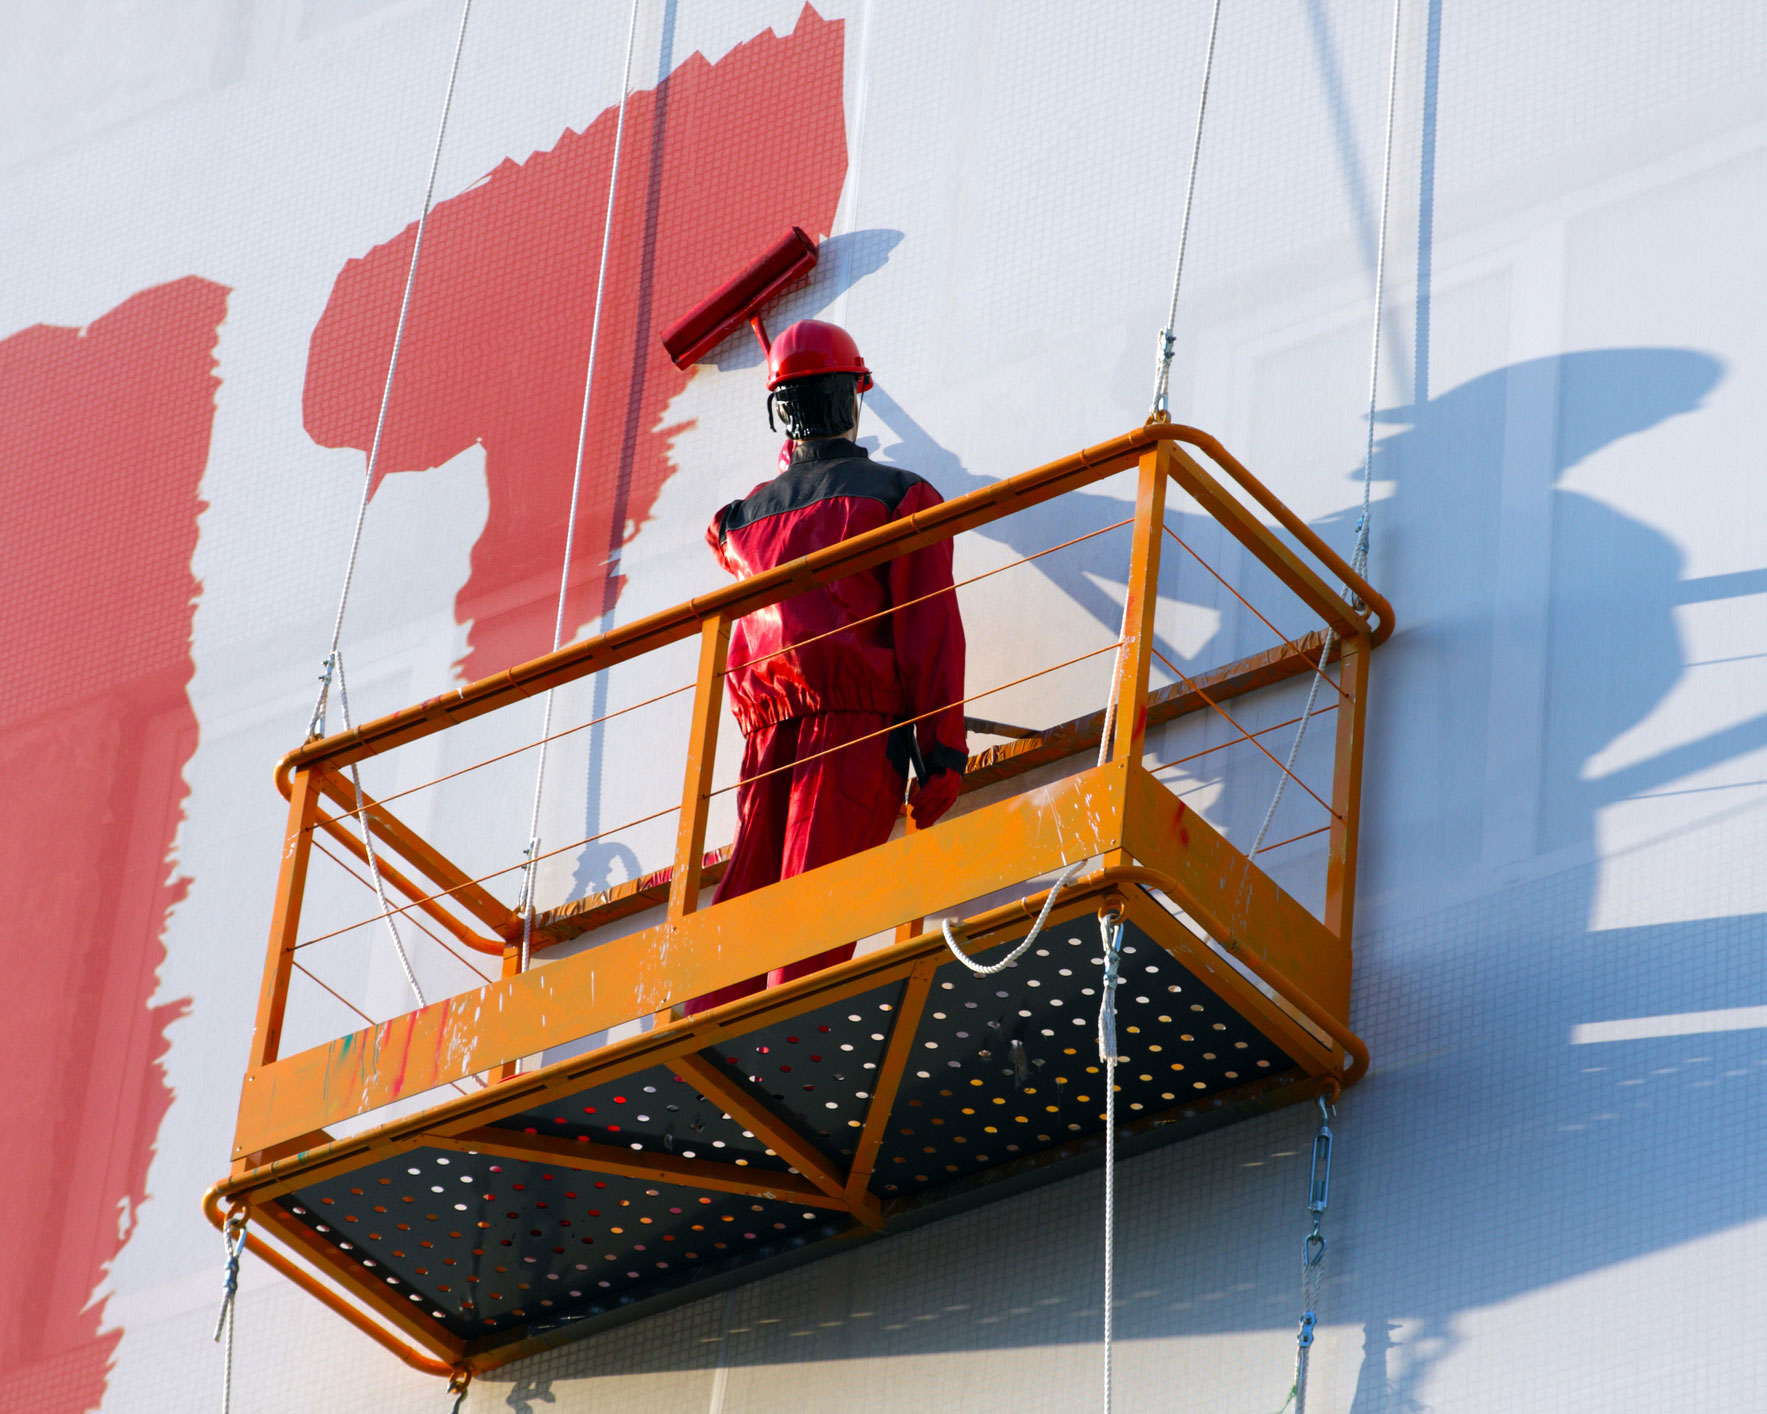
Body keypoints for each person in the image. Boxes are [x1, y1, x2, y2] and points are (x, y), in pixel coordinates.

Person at [683, 319, 967, 1016]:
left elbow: (766, 535)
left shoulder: (739, 520)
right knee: (816, 900)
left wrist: (792, 466)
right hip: (852, 732)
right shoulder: (898, 497)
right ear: (853, 396)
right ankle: (784, 1037)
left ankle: (708, 1033)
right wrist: (941, 751)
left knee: (748, 895)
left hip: (766, 733)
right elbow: (927, 630)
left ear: (779, 411)